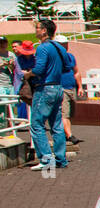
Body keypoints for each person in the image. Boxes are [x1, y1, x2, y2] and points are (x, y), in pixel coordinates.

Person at [29, 19, 69, 170]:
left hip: (45, 88)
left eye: (38, 28)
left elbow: (39, 69)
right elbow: (67, 66)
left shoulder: (42, 48)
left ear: (44, 31)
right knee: (57, 125)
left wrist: (28, 75)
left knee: (37, 124)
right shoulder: (59, 47)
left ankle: (46, 161)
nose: (36, 31)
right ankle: (61, 159)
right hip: (58, 87)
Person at [55, 33, 83, 147]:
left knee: (70, 113)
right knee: (64, 113)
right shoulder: (55, 58)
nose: (65, 46)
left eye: (65, 44)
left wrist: (80, 86)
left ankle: (65, 134)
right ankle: (70, 135)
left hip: (71, 88)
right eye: (62, 44)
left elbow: (76, 72)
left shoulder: (70, 57)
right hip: (61, 88)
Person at [13, 40, 36, 120]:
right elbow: (20, 74)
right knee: (23, 101)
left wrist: (27, 72)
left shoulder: (35, 59)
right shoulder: (18, 60)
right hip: (22, 84)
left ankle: (34, 121)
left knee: (36, 103)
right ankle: (23, 120)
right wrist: (31, 72)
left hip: (35, 84)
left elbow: (38, 71)